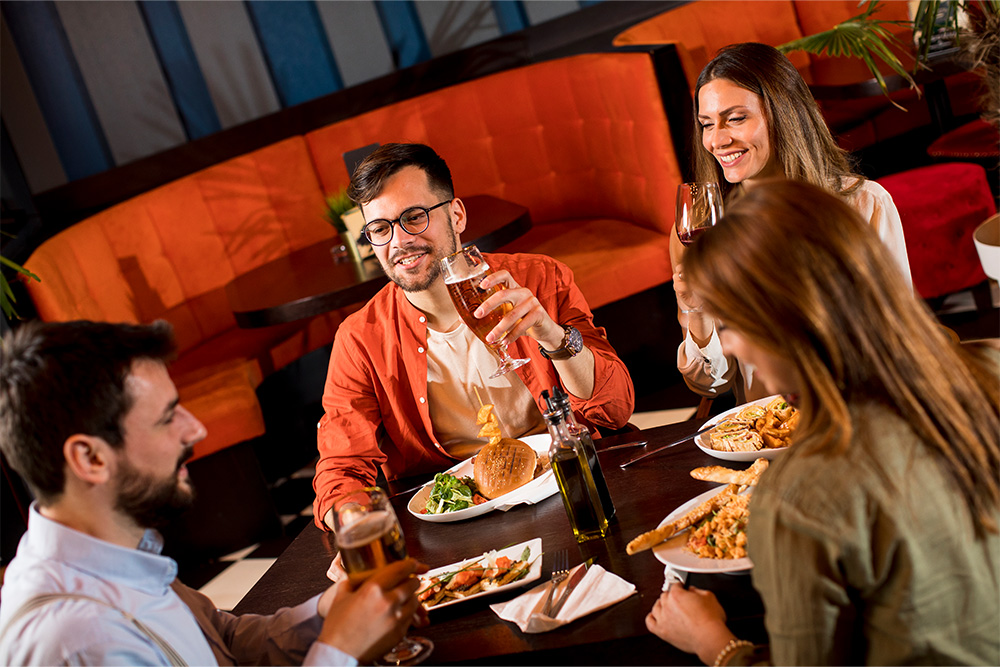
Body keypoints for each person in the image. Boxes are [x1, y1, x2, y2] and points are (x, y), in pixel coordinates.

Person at [646, 180, 999, 665]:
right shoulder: (990, 364)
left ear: (782, 320)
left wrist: (715, 644)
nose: (726, 346)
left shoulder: (799, 494)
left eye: (728, 325)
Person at [0, 320, 427, 666]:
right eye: (168, 418)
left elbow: (222, 642)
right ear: (90, 459)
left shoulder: (116, 554)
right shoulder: (79, 641)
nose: (196, 429)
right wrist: (340, 650)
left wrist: (328, 613)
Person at [314, 143, 634, 530]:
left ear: (457, 215)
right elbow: (341, 469)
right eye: (380, 229)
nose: (398, 241)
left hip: (569, 483)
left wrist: (551, 335)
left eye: (414, 217)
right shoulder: (360, 338)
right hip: (459, 521)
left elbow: (615, 410)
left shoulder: (539, 278)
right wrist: (357, 530)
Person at [672, 42, 913, 404]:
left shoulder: (863, 204)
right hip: (763, 435)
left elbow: (901, 338)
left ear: (784, 113)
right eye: (707, 124)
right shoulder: (703, 229)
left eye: (736, 118)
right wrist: (696, 313)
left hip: (860, 416)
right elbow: (711, 384)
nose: (717, 140)